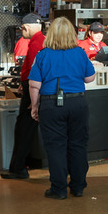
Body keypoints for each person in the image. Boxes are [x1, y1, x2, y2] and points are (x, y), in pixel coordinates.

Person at [28, 17, 95, 199]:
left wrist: (35, 106)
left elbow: (34, 85)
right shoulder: (80, 53)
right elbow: (90, 78)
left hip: (51, 105)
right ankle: (78, 186)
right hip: (77, 103)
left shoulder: (42, 55)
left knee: (56, 147)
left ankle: (58, 190)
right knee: (78, 145)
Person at [2, 13, 45, 180]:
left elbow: (37, 73)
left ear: (26, 28)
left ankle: (19, 168)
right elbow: (30, 68)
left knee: (23, 130)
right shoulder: (39, 41)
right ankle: (18, 167)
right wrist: (22, 81)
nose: (22, 32)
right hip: (30, 88)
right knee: (24, 129)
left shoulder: (35, 44)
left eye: (22, 29)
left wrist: (35, 99)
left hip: (33, 91)